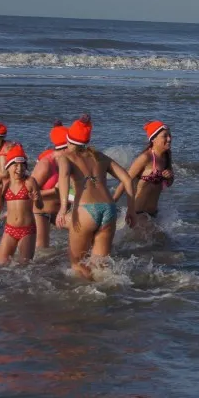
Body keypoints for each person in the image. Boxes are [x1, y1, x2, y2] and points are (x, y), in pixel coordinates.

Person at [55, 116, 137, 280]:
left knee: (77, 264)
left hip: (86, 210)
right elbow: (127, 179)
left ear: (69, 140)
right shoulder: (100, 156)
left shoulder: (66, 157)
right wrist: (131, 210)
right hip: (109, 208)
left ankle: (87, 302)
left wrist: (63, 209)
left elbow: (63, 176)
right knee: (100, 266)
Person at [113, 121, 175, 226]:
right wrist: (111, 204)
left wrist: (170, 176)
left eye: (169, 135)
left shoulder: (166, 156)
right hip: (139, 214)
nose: (169, 139)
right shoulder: (145, 158)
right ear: (153, 139)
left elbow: (168, 184)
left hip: (154, 215)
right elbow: (125, 180)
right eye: (165, 136)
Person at [0, 145, 43, 265]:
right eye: (16, 165)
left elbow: (40, 206)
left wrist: (36, 200)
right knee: (1, 265)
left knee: (24, 267)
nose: (20, 169)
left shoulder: (30, 182)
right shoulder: (5, 183)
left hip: (27, 230)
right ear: (8, 167)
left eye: (22, 165)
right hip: (9, 229)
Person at [30, 121, 69, 247]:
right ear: (64, 147)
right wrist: (54, 191)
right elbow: (28, 193)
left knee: (84, 229)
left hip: (61, 211)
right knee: (42, 251)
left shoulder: (68, 162)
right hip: (41, 212)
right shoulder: (46, 164)